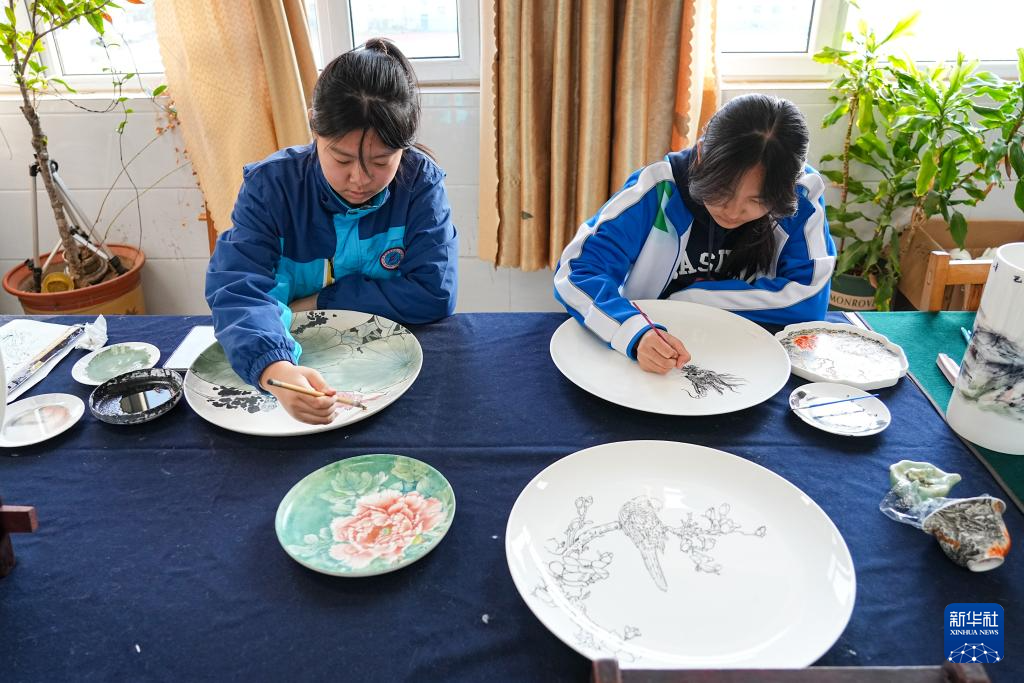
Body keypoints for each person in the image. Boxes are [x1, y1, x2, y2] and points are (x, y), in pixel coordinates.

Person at [206, 38, 457, 425]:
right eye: (341, 159)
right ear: (315, 127)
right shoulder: (270, 187)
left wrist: (320, 300)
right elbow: (239, 287)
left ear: (403, 147)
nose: (360, 179)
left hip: (388, 374)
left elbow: (434, 293)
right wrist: (274, 368)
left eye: (381, 161)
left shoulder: (420, 184)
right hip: (288, 365)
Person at [554, 93, 835, 375]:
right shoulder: (657, 190)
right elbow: (576, 271)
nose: (734, 211)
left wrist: (691, 300)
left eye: (758, 200)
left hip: (745, 357)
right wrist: (633, 331)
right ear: (701, 155)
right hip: (651, 354)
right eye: (723, 190)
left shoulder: (800, 196)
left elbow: (808, 302)